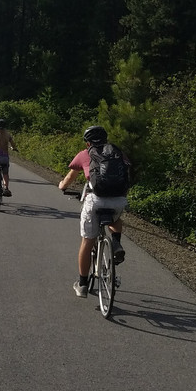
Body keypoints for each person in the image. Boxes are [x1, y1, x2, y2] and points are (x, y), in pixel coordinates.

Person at [58, 125, 129, 298]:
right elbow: (127, 171)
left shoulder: (85, 154)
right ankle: (116, 242)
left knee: (87, 241)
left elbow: (70, 177)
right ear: (105, 139)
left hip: (95, 200)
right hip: (119, 199)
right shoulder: (117, 152)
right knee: (115, 217)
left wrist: (62, 186)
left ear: (88, 142)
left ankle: (82, 284)